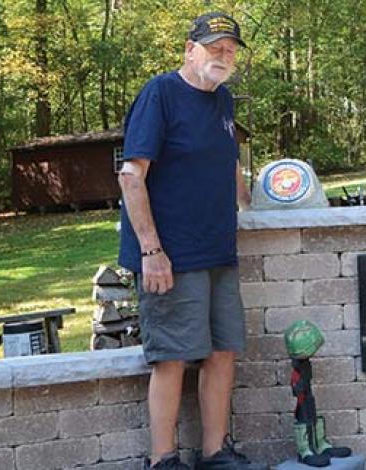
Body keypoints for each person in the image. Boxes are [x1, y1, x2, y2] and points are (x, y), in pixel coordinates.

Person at [117, 11, 264, 470]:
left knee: (223, 352)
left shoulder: (223, 102)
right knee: (173, 359)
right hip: (171, 255)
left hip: (219, 250)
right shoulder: (160, 94)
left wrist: (255, 206)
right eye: (215, 47)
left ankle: (215, 454)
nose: (224, 56)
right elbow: (131, 176)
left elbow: (228, 163)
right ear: (189, 49)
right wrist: (151, 251)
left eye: (231, 50)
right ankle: (163, 460)